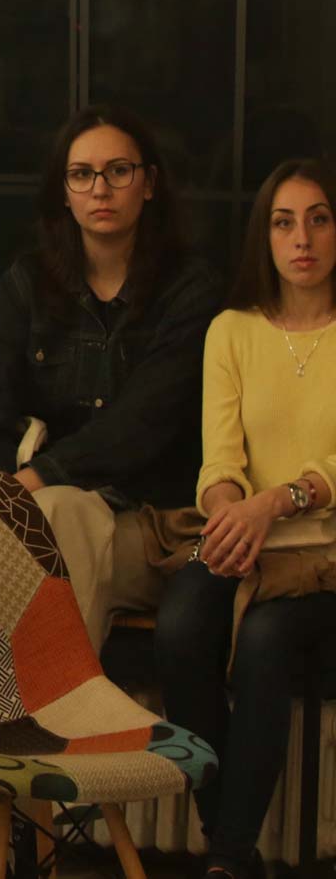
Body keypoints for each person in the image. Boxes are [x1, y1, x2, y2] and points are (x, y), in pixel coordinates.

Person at [0, 105, 220, 644]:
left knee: (56, 512)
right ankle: (47, 696)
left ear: (149, 184)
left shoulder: (190, 290)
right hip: (39, 515)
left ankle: (18, 698)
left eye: (119, 171)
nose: (100, 189)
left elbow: (140, 425)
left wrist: (35, 480)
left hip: (151, 525)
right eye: (81, 174)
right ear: (64, 193)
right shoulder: (27, 285)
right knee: (24, 521)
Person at [157, 159, 336, 879]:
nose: (303, 239)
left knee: (263, 639)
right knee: (179, 625)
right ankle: (227, 838)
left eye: (319, 219)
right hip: (246, 535)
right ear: (264, 235)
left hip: (323, 552)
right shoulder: (231, 330)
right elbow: (219, 460)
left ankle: (226, 859)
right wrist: (229, 510)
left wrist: (279, 500)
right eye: (284, 222)